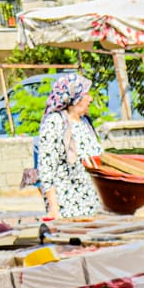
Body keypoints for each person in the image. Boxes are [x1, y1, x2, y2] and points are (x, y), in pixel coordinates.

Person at [34, 72, 103, 221]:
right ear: (75, 98)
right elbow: (46, 170)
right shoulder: (55, 123)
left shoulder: (85, 122)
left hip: (92, 206)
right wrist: (53, 209)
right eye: (86, 94)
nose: (90, 98)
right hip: (68, 210)